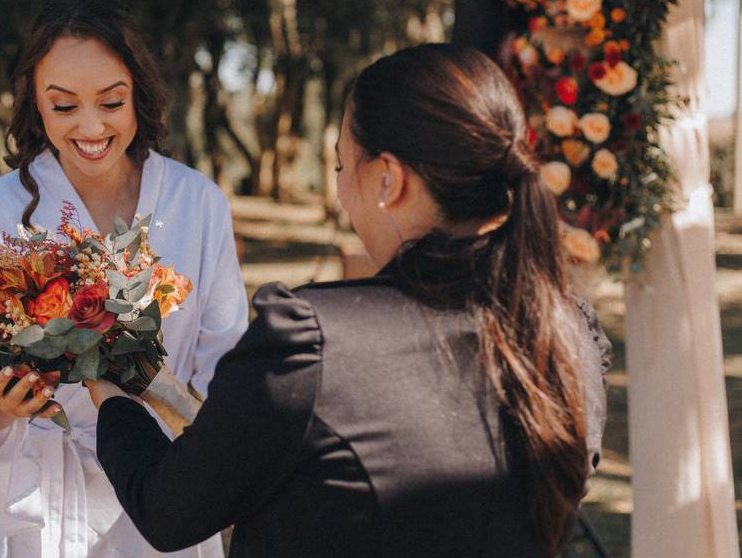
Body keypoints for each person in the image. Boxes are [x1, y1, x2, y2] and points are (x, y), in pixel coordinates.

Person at [86, 44, 611, 558]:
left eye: (341, 167)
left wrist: (112, 395)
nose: (340, 191)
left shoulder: (313, 345)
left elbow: (170, 510)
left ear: (387, 179)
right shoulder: (570, 338)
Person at [0, 0, 248, 558]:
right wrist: (2, 404)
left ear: (138, 97)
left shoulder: (196, 203)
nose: (91, 126)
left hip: (161, 482)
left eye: (111, 100)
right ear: (36, 104)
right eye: (64, 104)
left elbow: (226, 361)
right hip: (40, 498)